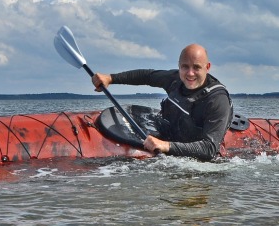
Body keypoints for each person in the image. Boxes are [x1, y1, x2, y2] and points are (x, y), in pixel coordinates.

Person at [91, 44, 233, 161]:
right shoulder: (175, 79)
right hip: (173, 135)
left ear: (207, 67)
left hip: (202, 159)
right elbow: (147, 76)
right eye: (185, 67)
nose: (190, 73)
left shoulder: (218, 100)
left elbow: (209, 149)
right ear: (179, 66)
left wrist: (166, 146)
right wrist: (110, 78)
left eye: (196, 67)